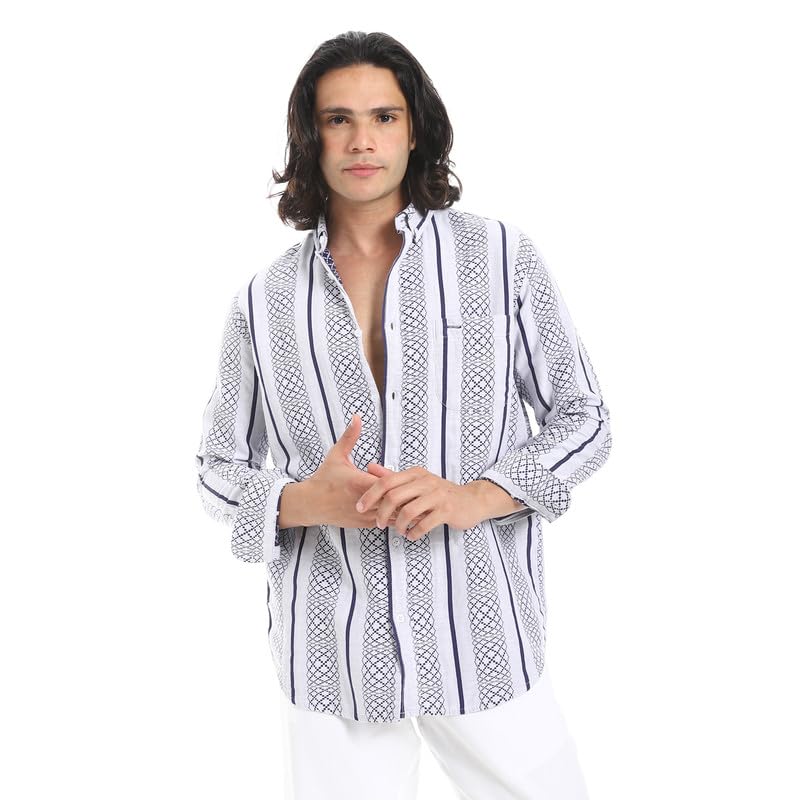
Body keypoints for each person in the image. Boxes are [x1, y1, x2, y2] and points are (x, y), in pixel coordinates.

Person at [195, 30, 612, 800]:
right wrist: (297, 502)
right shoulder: (264, 301)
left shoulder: (499, 257)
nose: (363, 141)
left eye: (384, 117)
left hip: (479, 627)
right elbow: (216, 467)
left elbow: (584, 418)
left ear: (414, 129)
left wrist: (476, 495)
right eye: (338, 119)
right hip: (332, 645)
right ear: (309, 136)